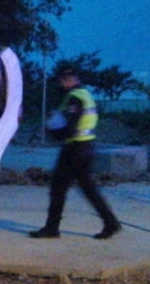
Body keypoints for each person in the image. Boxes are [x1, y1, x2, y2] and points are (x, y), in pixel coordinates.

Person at [29, 68, 121, 240]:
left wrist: (53, 132)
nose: (60, 84)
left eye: (63, 81)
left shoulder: (75, 98)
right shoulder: (85, 94)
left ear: (71, 80)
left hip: (74, 149)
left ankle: (52, 228)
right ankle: (111, 222)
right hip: (87, 147)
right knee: (88, 188)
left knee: (58, 188)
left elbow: (70, 127)